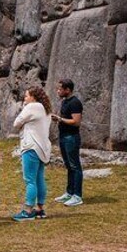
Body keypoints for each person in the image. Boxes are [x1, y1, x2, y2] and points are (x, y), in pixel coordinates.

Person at [12, 87, 53, 222]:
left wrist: (25, 107)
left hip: (31, 146)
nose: (25, 99)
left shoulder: (32, 107)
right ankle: (40, 209)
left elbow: (16, 123)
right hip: (42, 147)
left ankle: (28, 210)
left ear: (33, 97)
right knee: (39, 178)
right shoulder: (45, 109)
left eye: (26, 96)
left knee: (29, 179)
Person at [52, 79, 84, 207]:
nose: (58, 91)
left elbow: (76, 121)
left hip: (71, 137)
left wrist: (60, 119)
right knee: (69, 166)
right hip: (64, 136)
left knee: (75, 166)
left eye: (60, 89)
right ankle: (69, 192)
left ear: (67, 90)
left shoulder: (75, 102)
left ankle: (77, 195)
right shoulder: (65, 102)